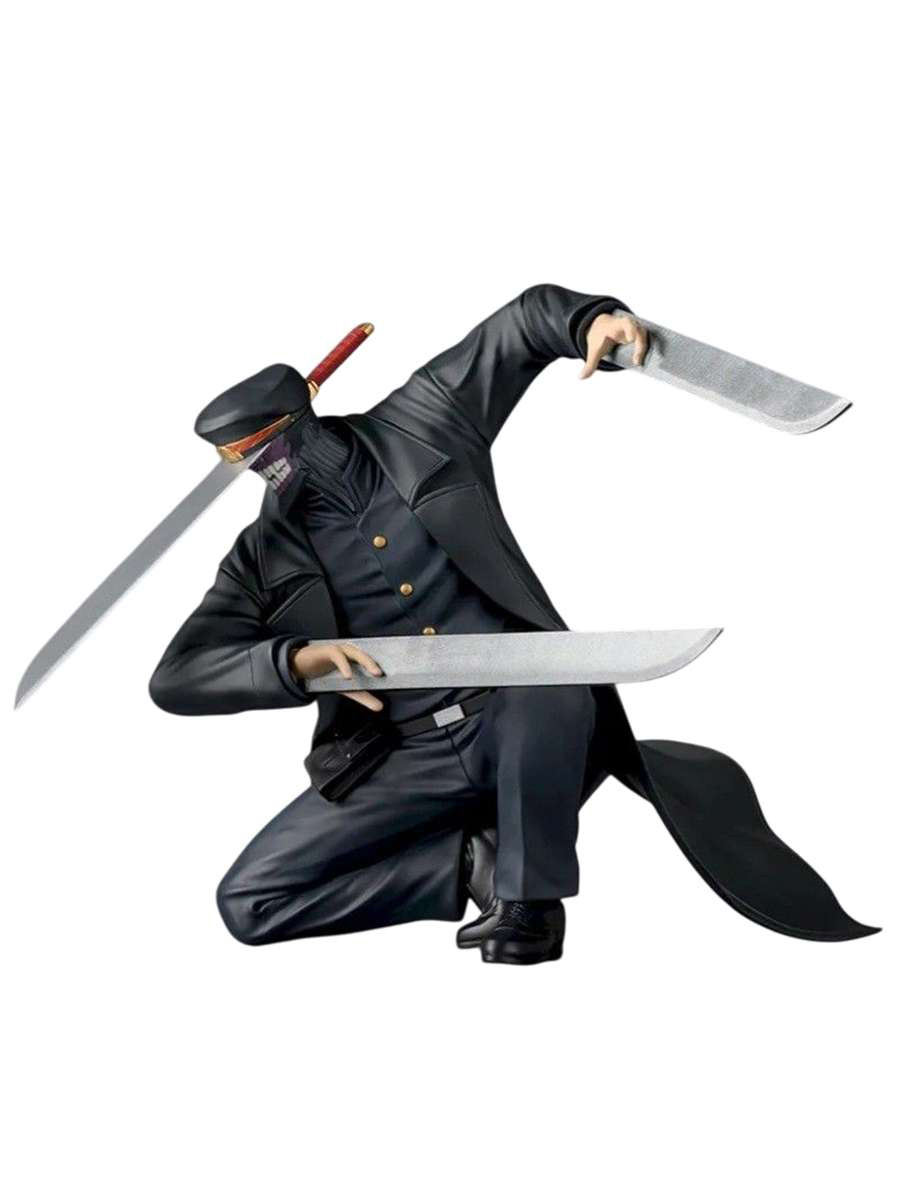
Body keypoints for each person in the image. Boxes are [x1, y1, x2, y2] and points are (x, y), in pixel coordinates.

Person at [149, 284, 875, 964]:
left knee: (544, 673)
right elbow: (176, 678)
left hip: (523, 708)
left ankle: (529, 903)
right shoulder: (264, 556)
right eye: (246, 463)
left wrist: (586, 321)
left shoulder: (423, 424)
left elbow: (520, 326)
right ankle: (472, 865)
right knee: (249, 902)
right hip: (404, 757)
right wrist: (293, 662)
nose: (265, 471)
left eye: (267, 450)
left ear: (299, 426)